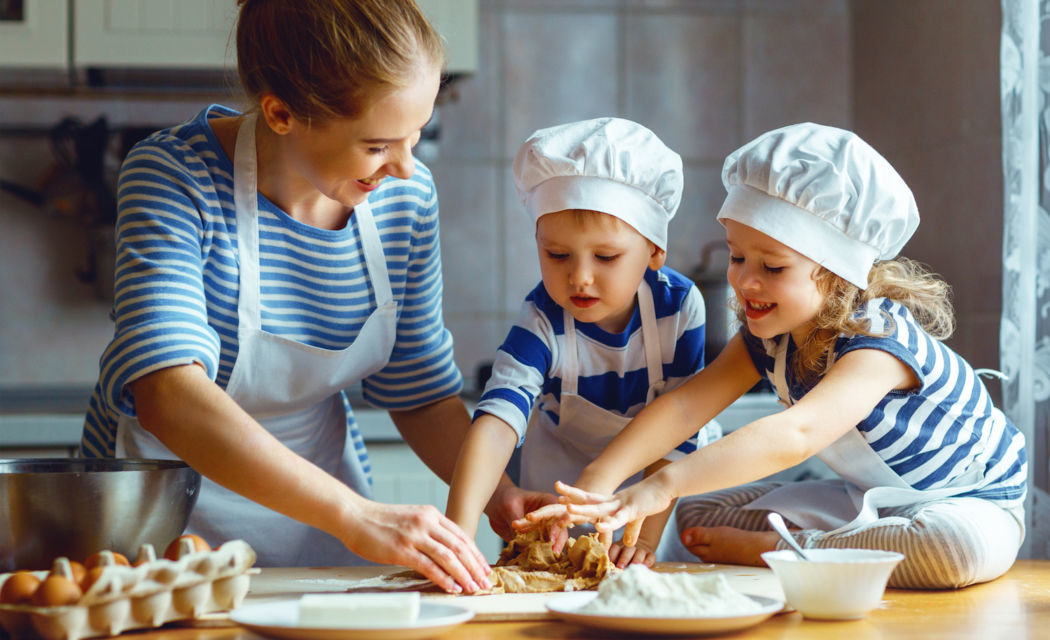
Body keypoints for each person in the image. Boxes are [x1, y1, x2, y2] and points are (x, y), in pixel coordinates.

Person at [79, 0, 500, 593]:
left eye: (417, 134)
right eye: (378, 145)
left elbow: (421, 392)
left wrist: (503, 498)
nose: (405, 167)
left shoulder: (406, 198)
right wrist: (356, 516)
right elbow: (168, 393)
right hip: (160, 521)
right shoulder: (174, 176)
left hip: (318, 519)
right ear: (281, 113)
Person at [543, 122, 1028, 589]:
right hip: (866, 502)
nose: (744, 281)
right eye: (737, 257)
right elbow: (686, 406)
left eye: (772, 266)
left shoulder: (879, 341)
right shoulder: (770, 336)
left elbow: (796, 435)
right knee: (696, 513)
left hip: (970, 504)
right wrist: (598, 480)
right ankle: (817, 548)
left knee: (950, 550)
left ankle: (788, 549)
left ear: (837, 274)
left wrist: (660, 485)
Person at [446, 117, 719, 567]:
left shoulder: (679, 308)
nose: (579, 277)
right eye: (556, 255)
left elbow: (679, 430)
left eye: (606, 257)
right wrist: (458, 534)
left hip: (651, 496)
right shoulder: (542, 318)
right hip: (556, 492)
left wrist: (643, 541)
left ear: (654, 251)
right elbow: (495, 423)